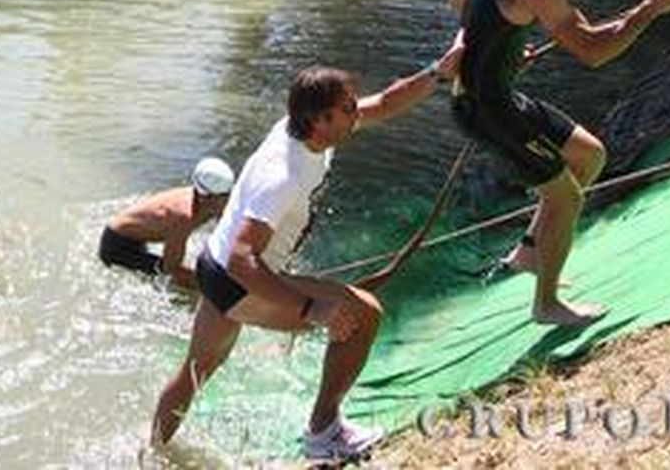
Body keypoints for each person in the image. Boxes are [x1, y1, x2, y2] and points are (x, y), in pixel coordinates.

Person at [151, 55, 458, 462]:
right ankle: (323, 434)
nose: (357, 113)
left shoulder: (304, 129)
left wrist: (438, 73)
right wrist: (311, 308)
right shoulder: (282, 177)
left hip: (213, 265)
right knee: (362, 314)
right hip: (236, 276)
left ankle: (150, 452)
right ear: (319, 119)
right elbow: (244, 258)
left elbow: (385, 103)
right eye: (347, 108)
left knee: (194, 373)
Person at [447, 0, 670, 326]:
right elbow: (594, 52)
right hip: (487, 110)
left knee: (589, 156)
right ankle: (547, 305)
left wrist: (500, 43)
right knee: (566, 196)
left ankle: (528, 253)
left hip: (493, 97)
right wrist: (649, 10)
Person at [99, 157, 236, 288]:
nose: (223, 203)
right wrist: (216, 288)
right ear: (203, 196)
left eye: (226, 196)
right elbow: (171, 269)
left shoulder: (213, 200)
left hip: (136, 235)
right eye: (217, 199)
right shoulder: (183, 217)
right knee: (172, 278)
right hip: (118, 246)